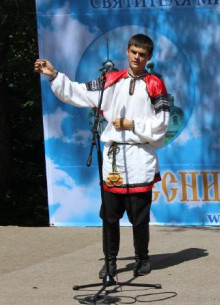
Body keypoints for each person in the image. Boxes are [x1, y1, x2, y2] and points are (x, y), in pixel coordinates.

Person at [34, 34, 170, 279]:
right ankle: (110, 262)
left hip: (140, 157)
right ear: (127, 52)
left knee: (140, 216)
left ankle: (142, 258)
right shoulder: (111, 80)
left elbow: (161, 123)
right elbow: (79, 92)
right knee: (109, 215)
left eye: (142, 54)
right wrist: (54, 75)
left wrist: (132, 125)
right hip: (114, 158)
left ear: (149, 57)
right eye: (134, 52)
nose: (137, 57)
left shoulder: (155, 84)